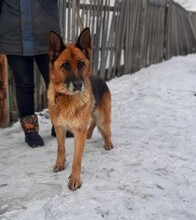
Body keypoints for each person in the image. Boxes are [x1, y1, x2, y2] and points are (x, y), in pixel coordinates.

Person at [0, 0, 61, 147]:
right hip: (13, 36)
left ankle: (59, 124)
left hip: (47, 36)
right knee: (24, 84)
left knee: (56, 82)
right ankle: (30, 130)